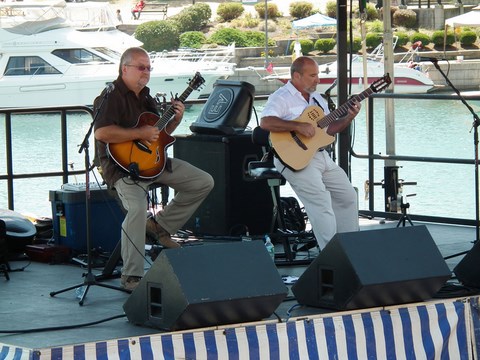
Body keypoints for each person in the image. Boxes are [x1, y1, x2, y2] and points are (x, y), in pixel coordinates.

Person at [94, 47, 214, 291]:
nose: (146, 72)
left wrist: (176, 120)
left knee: (202, 181)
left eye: (149, 68)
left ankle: (160, 226)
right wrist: (139, 133)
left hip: (155, 163)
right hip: (122, 169)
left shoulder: (147, 98)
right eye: (141, 67)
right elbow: (102, 133)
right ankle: (131, 276)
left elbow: (158, 137)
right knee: (137, 208)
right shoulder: (110, 96)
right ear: (124, 68)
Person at [260, 56, 361, 250]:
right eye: (312, 75)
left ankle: (350, 250)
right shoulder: (281, 97)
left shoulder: (317, 99)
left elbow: (328, 131)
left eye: (318, 75)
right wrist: (297, 126)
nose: (317, 80)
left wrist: (348, 118)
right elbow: (266, 122)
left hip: (320, 155)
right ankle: (332, 256)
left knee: (347, 196)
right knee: (321, 202)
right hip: (294, 158)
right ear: (297, 76)